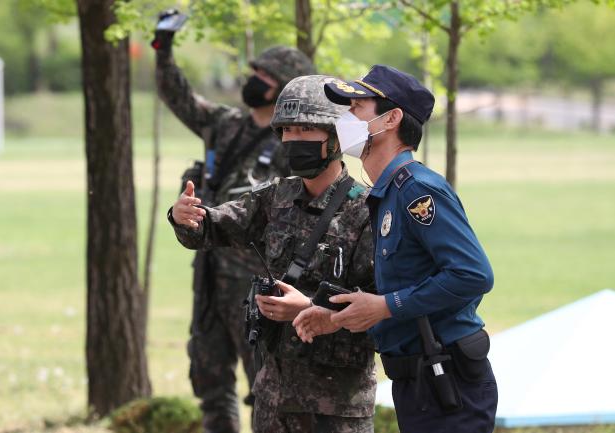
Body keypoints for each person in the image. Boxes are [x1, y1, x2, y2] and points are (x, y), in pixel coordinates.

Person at [294, 64, 498, 433]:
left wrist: (386, 306)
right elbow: (408, 286)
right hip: (418, 382)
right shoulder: (386, 193)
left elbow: (473, 275)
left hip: (447, 381)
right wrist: (338, 318)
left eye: (357, 107)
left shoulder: (417, 191)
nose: (346, 116)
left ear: (391, 119)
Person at [168, 74, 377, 433]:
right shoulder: (275, 197)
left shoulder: (368, 211)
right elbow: (215, 226)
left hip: (335, 410)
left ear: (335, 136)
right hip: (272, 402)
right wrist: (184, 217)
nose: (293, 140)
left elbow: (379, 310)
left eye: (305, 130)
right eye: (287, 131)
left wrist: (311, 310)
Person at [152, 12, 316, 433]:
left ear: (282, 86)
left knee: (266, 384)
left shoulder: (294, 146)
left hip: (257, 282)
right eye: (254, 72)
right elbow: (179, 97)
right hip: (208, 274)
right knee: (209, 377)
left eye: (263, 74)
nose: (253, 79)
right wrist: (163, 48)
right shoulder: (225, 125)